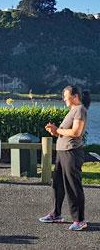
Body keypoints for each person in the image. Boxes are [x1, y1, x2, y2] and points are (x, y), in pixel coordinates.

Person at [39, 85, 91, 231]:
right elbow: (66, 132)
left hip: (72, 152)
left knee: (73, 186)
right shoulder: (72, 111)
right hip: (63, 152)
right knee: (58, 185)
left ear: (75, 96)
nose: (64, 99)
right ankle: (56, 214)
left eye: (65, 96)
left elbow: (76, 132)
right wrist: (55, 132)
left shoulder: (80, 109)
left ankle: (79, 220)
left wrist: (57, 130)